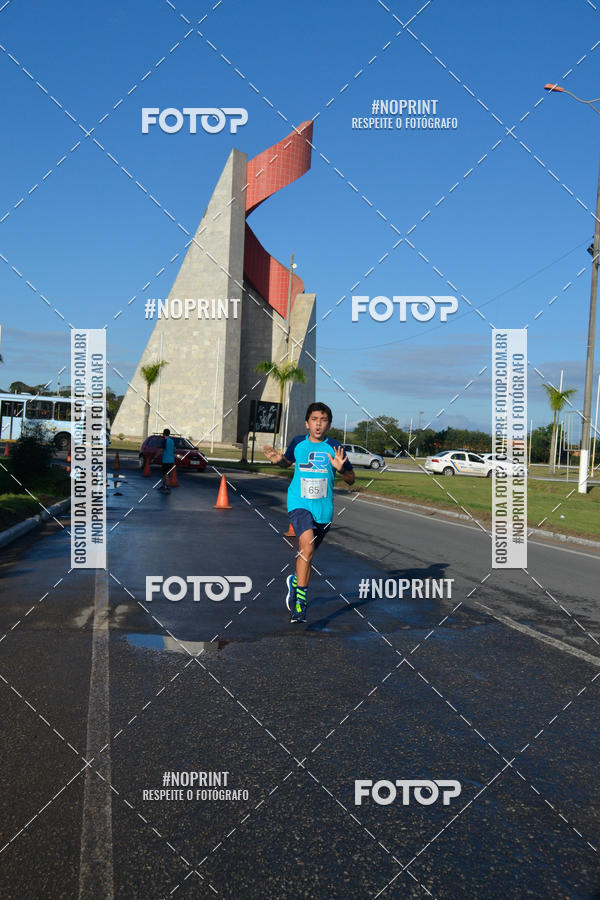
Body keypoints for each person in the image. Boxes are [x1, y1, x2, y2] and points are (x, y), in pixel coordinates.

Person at [263, 402, 355, 623]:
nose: (318, 424)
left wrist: (342, 469)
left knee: (308, 554)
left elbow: (351, 480)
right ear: (307, 423)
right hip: (299, 503)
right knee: (307, 547)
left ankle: (295, 581)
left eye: (323, 420)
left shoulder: (335, 447)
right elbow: (286, 462)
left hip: (324, 509)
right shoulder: (298, 442)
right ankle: (300, 603)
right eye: (314, 419)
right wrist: (278, 461)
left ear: (329, 424)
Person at [155, 428, 175, 493]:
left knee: (165, 474)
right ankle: (164, 485)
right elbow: (174, 449)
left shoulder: (164, 441)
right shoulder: (172, 441)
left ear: (164, 434)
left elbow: (161, 450)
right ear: (169, 434)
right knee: (165, 474)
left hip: (166, 460)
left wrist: (155, 456)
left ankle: (167, 487)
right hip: (171, 460)